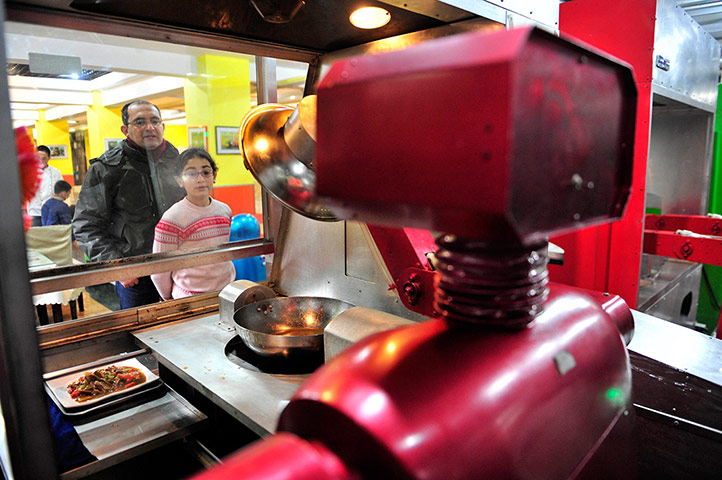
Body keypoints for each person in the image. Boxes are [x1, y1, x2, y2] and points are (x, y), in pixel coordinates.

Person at [73, 100, 185, 309]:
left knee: (186, 327)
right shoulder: (107, 168)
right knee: (142, 334)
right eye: (140, 122)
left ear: (163, 125)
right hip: (136, 275)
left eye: (154, 121)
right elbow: (85, 226)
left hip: (180, 268)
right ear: (125, 130)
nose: (149, 127)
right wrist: (117, 266)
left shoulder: (179, 161)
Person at [151, 148, 234, 300]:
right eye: (191, 174)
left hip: (225, 292)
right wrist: (168, 298)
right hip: (189, 297)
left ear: (214, 176)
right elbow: (159, 270)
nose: (200, 179)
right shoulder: (172, 219)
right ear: (179, 180)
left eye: (206, 172)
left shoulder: (225, 211)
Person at [27, 145, 63, 226]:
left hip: (52, 212)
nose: (40, 161)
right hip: (35, 212)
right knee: (36, 236)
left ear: (49, 158)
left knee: (50, 236)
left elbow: (61, 190)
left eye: (44, 159)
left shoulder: (56, 172)